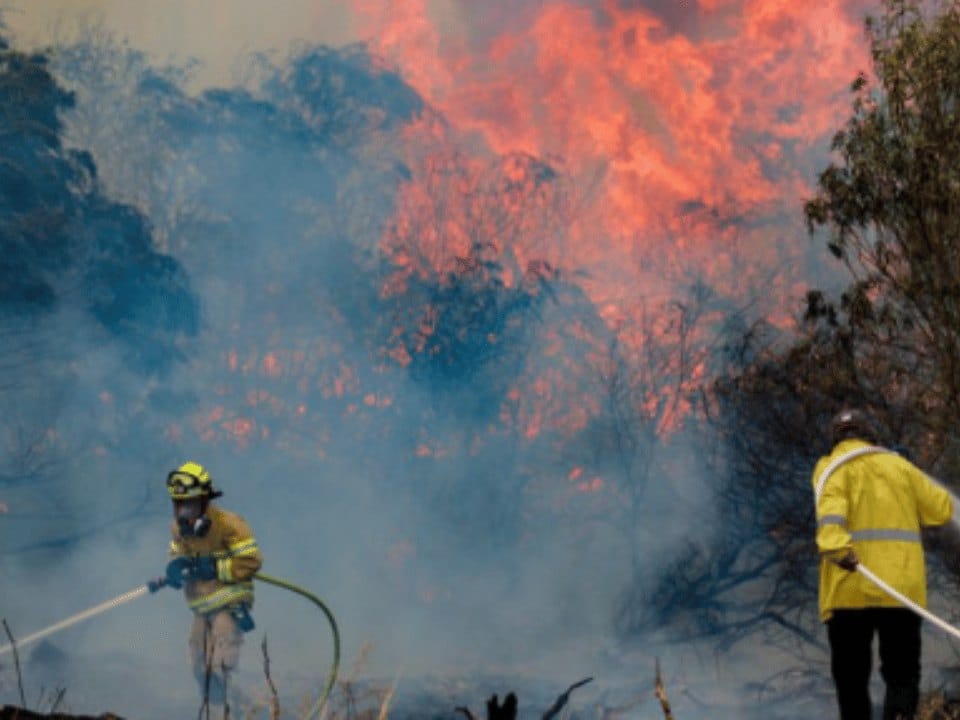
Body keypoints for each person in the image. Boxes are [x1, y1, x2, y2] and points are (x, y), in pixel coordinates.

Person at [813, 409, 953, 720]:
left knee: (851, 680)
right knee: (902, 675)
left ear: (836, 439)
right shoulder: (899, 467)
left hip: (848, 589)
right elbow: (942, 509)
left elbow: (831, 518)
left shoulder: (830, 468)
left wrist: (839, 549)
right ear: (870, 435)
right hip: (899, 591)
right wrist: (907, 471)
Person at [151, 461, 263, 709]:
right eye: (179, 505)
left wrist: (214, 568)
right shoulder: (178, 529)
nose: (184, 513)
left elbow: (251, 561)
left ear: (205, 501)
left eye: (190, 505)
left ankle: (244, 710)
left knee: (222, 663)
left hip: (229, 603)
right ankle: (219, 707)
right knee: (197, 664)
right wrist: (176, 568)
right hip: (201, 606)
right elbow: (177, 553)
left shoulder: (230, 524)